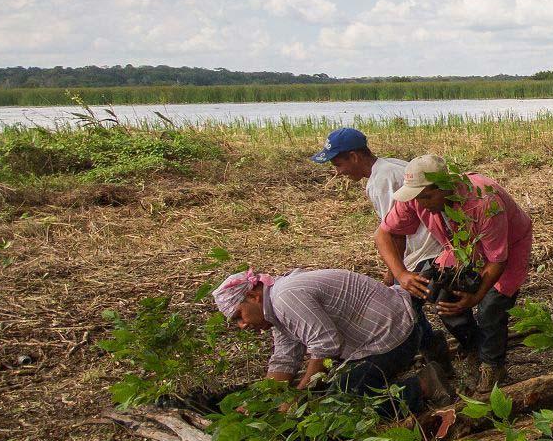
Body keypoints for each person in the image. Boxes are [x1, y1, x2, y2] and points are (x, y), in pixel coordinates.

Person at [375, 153, 533, 394]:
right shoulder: (416, 197)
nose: (422, 203)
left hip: (507, 246)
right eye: (418, 197)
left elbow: (496, 260)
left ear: (445, 186)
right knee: (445, 299)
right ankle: (472, 349)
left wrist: (475, 297)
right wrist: (401, 274)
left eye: (427, 196)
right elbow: (384, 234)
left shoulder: (483, 201)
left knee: (492, 306)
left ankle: (493, 366)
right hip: (459, 247)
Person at [211, 268, 450, 412]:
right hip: (389, 331)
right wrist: (262, 403)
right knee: (331, 389)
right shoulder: (277, 304)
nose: (243, 325)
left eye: (239, 316)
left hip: (393, 337)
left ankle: (423, 385)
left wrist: (303, 396)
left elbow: (325, 344)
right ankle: (431, 349)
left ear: (253, 296)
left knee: (343, 400)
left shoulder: (285, 297)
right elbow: (284, 359)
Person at [310, 127, 442, 277]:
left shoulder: (382, 180)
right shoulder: (391, 164)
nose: (338, 172)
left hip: (426, 256)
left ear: (354, 157)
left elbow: (396, 232)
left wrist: (394, 274)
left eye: (338, 165)